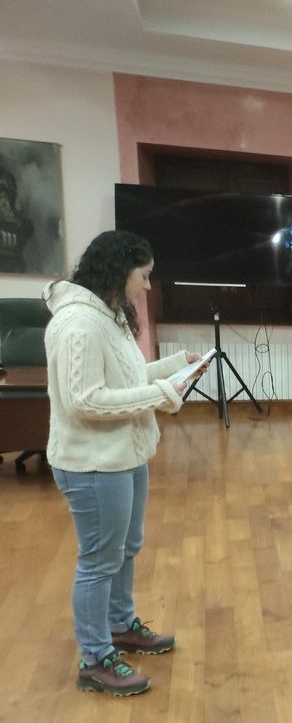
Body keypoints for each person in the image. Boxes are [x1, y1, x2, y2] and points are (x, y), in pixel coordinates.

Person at [44, 230, 203, 695]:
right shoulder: (78, 323)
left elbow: (125, 377)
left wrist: (174, 367)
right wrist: (161, 394)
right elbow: (85, 401)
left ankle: (119, 626)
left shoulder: (108, 317)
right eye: (144, 276)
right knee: (98, 561)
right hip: (92, 464)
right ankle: (95, 658)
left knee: (125, 548)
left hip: (125, 457)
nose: (147, 287)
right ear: (120, 271)